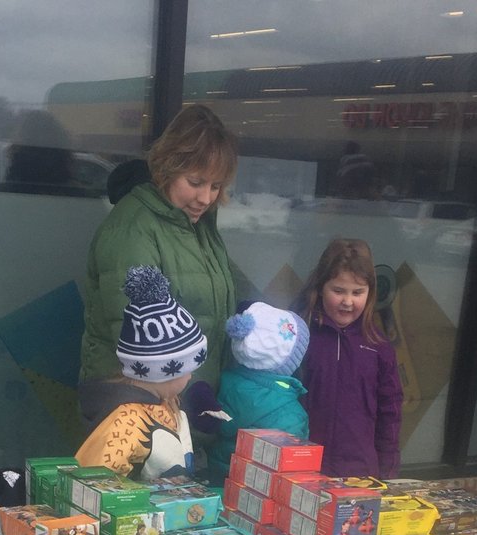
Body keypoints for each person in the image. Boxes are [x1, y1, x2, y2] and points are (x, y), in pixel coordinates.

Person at [79, 104, 238, 403]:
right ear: (168, 167)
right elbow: (144, 347)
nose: (206, 198)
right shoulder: (134, 231)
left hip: (184, 402)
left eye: (216, 186)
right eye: (195, 182)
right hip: (141, 408)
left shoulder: (197, 225)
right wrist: (191, 403)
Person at [75, 265, 209, 481]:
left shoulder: (165, 401)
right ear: (163, 373)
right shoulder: (127, 422)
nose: (191, 376)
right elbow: (95, 482)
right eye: (187, 370)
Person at [295, 238, 403, 479]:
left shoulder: (379, 346)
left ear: (370, 293)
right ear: (321, 287)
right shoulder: (299, 336)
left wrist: (388, 471)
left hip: (360, 473)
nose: (347, 301)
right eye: (338, 291)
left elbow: (390, 413)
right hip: (303, 468)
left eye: (357, 292)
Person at [207, 301, 310, 486]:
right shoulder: (291, 413)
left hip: (220, 485)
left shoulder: (223, 384)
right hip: (262, 493)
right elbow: (291, 472)